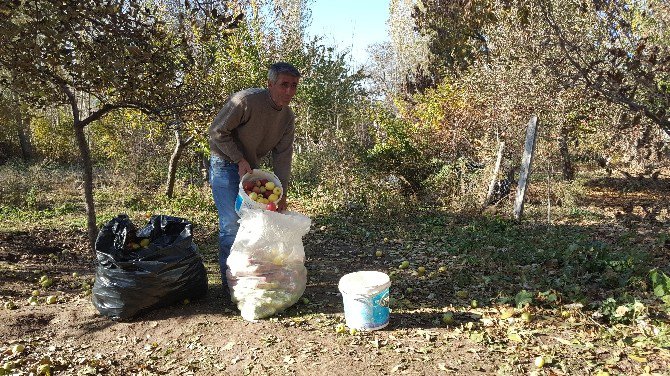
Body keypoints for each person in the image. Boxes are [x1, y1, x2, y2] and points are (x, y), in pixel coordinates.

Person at [208, 62, 301, 284]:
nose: (289, 91)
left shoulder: (287, 117)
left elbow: (282, 157)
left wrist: (282, 195)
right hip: (224, 162)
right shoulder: (245, 101)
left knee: (251, 223)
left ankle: (247, 279)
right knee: (231, 223)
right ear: (270, 84)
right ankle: (229, 283)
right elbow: (217, 131)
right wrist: (238, 158)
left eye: (294, 86)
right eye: (283, 85)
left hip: (249, 169)